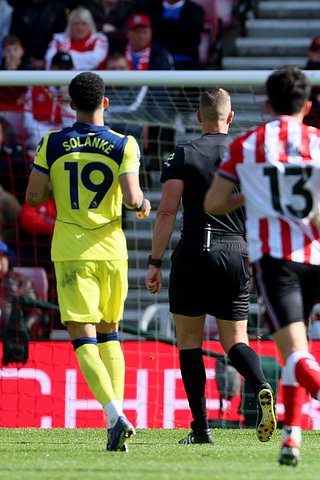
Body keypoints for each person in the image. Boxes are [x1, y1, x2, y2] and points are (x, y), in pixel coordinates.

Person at [204, 66, 320, 465]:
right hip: (316, 259)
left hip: (276, 261)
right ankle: (292, 438)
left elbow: (213, 203)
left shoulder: (247, 144)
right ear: (307, 106)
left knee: (293, 350)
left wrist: (249, 195)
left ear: (266, 104)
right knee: (297, 349)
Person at [24, 71, 152, 451]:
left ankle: (114, 416)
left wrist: (58, 185)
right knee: (111, 333)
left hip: (72, 250)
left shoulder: (52, 143)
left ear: (70, 104)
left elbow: (33, 197)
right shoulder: (124, 144)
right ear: (105, 103)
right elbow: (133, 199)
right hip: (112, 250)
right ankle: (118, 417)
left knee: (83, 337)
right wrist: (144, 205)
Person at [145, 88, 275, 445]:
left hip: (193, 252)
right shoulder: (248, 153)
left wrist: (154, 262)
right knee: (236, 341)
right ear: (230, 117)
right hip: (235, 252)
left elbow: (167, 211)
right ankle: (262, 385)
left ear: (198, 117)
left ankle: (201, 430)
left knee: (189, 343)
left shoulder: (184, 153)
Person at [43, 6, 108, 70]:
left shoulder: (99, 39)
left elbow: (95, 59)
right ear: (70, 25)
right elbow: (49, 59)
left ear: (90, 25)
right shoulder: (59, 39)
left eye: (84, 24)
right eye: (76, 24)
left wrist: (66, 57)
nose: (80, 28)